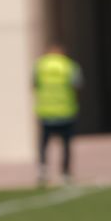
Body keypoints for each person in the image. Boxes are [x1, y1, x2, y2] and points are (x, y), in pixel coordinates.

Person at [33, 43, 83, 184]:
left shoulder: (40, 65)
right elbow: (77, 84)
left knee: (44, 143)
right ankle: (65, 172)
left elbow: (34, 84)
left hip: (46, 111)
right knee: (66, 143)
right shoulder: (69, 66)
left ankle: (43, 169)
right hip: (65, 110)